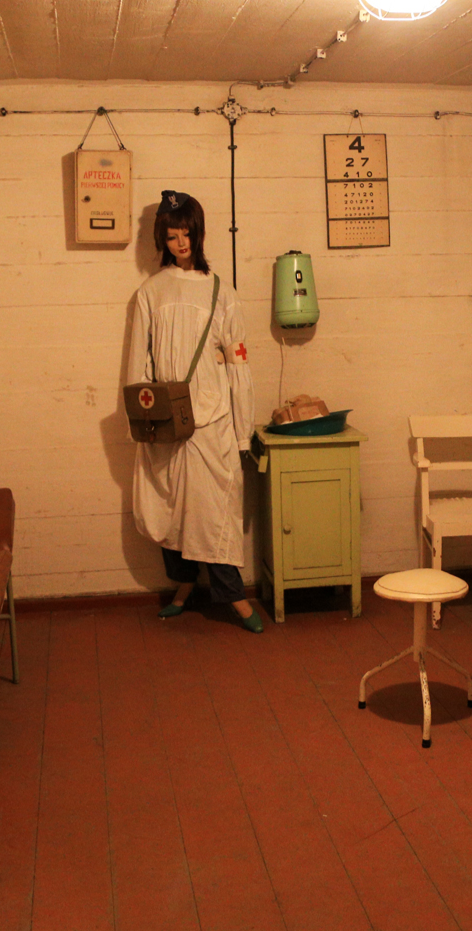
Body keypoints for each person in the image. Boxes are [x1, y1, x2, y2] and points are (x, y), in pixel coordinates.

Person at [127, 190, 261, 631]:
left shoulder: (222, 292)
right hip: (167, 421)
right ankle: (183, 586)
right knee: (171, 507)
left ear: (198, 233)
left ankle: (233, 596)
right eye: (171, 235)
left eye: (186, 233)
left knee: (215, 511)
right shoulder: (151, 292)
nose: (180, 243)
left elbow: (238, 366)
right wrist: (144, 421)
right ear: (162, 240)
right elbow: (138, 363)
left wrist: (242, 431)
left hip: (212, 419)